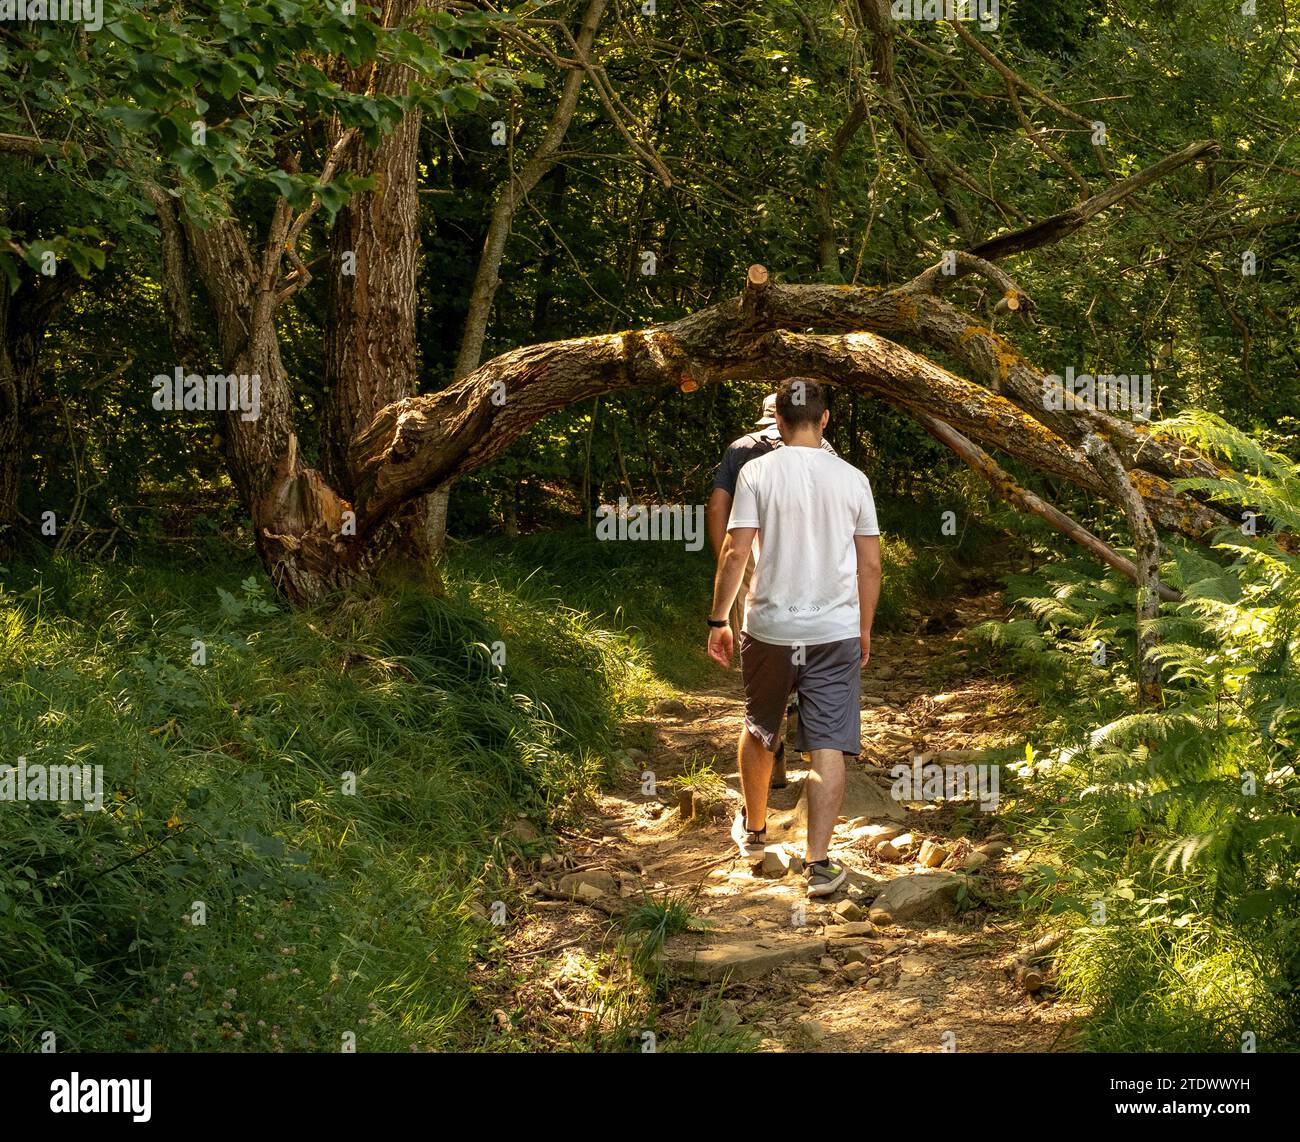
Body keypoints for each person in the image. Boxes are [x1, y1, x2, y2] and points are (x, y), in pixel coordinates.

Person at [706, 378, 882, 897]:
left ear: (777, 421)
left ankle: (755, 834)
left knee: (761, 724)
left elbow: (736, 553)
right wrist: (864, 626)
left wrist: (719, 620)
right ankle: (820, 865)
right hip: (835, 630)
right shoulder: (854, 479)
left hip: (770, 628)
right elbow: (869, 564)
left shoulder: (756, 471)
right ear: (825, 419)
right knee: (828, 741)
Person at [706, 393, 838, 788]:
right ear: (817, 419)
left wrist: (727, 563)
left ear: (774, 418)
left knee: (762, 651)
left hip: (753, 559)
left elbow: (717, 509)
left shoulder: (741, 449)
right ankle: (807, 720)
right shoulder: (826, 451)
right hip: (815, 567)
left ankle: (771, 747)